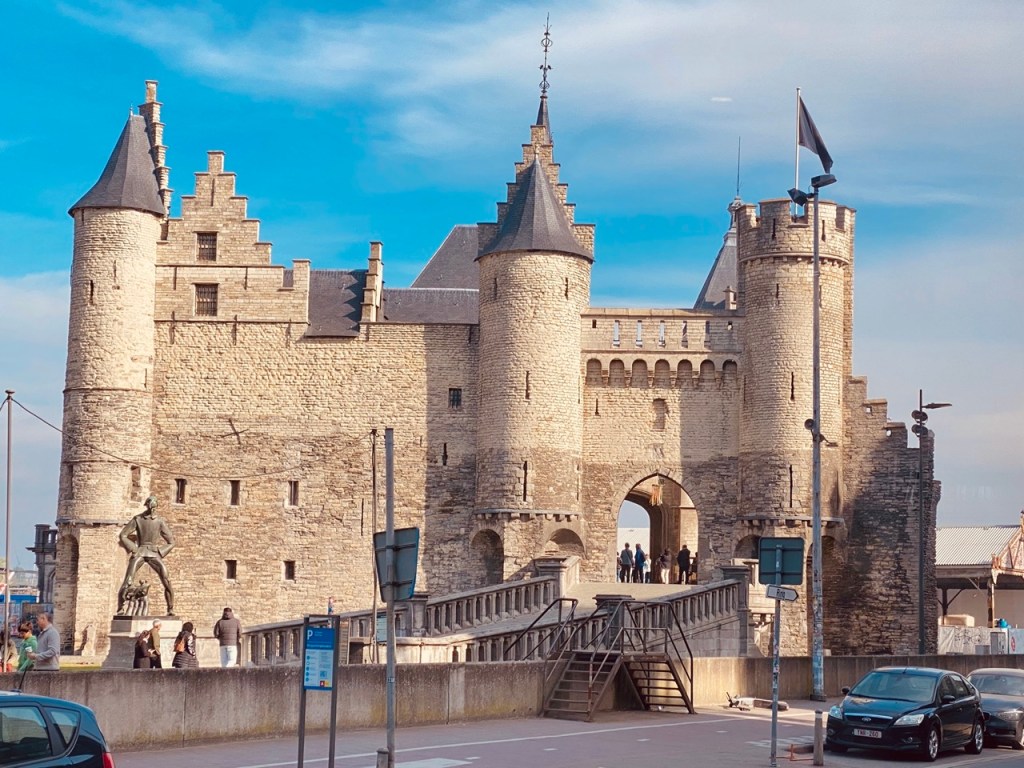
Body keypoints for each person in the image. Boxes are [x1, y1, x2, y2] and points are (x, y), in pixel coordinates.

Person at [117, 495, 176, 615]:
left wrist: (160, 552)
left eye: (153, 506)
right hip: (140, 551)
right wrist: (134, 549)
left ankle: (170, 609)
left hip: (154, 553)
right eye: (150, 505)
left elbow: (171, 542)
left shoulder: (160, 521)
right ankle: (120, 608)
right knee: (128, 580)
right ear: (147, 505)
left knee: (166, 579)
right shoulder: (138, 519)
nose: (151, 508)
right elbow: (123, 535)